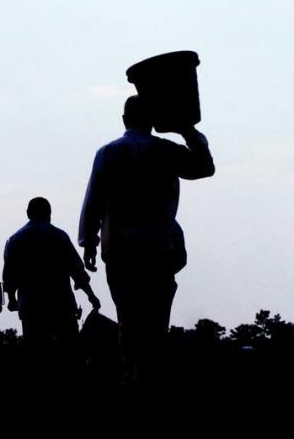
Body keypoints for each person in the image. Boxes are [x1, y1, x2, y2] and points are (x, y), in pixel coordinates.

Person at [79, 95, 214, 382]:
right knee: (156, 324)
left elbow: (93, 201)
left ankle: (132, 375)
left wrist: (89, 241)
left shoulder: (108, 153)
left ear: (124, 120)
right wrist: (187, 130)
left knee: (128, 320)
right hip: (159, 250)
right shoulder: (165, 150)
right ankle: (152, 377)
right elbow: (204, 167)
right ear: (153, 121)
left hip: (120, 252)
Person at [4, 197, 99, 363]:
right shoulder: (59, 237)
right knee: (71, 356)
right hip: (62, 306)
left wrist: (12, 300)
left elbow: (10, 276)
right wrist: (91, 296)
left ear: (28, 214)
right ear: (49, 214)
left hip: (31, 309)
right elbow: (77, 271)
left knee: (38, 357)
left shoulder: (15, 241)